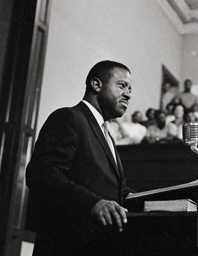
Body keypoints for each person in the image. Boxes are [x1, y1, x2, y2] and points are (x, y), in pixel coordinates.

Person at [26, 60, 134, 256]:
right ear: (96, 84)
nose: (128, 94)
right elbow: (41, 173)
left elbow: (119, 193)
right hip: (67, 247)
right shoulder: (69, 117)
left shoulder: (107, 136)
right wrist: (92, 203)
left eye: (130, 89)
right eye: (122, 85)